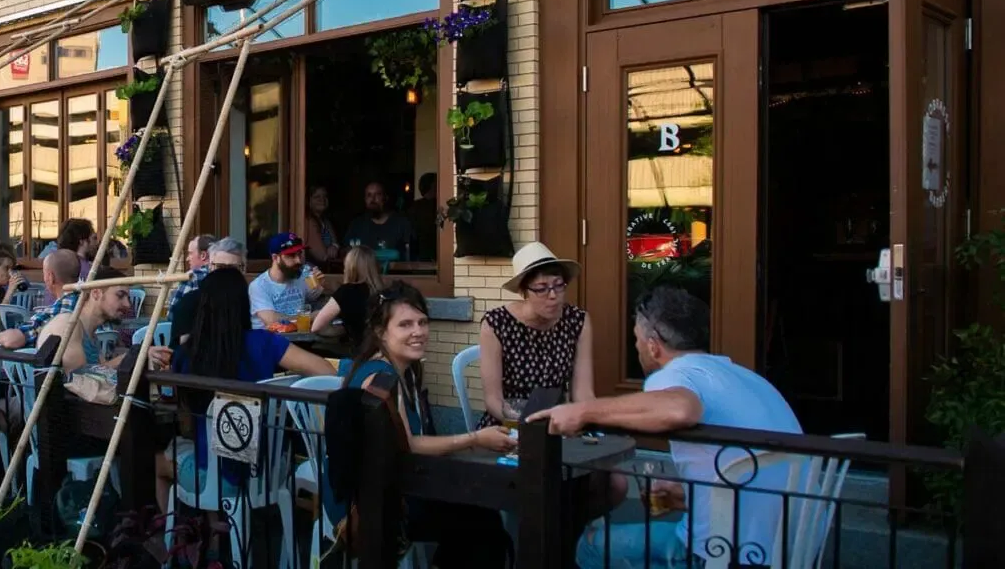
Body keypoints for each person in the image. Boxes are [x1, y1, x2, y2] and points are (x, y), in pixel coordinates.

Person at [533, 287, 803, 569]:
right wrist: (687, 497)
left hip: (725, 555)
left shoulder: (675, 373)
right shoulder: (746, 376)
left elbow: (680, 409)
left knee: (590, 547)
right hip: (792, 549)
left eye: (636, 340)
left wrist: (581, 410)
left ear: (652, 345)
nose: (636, 348)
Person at [343, 282, 516, 567]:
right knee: (480, 522)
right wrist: (474, 439)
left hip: (402, 483)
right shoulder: (380, 377)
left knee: (480, 513)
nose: (418, 331)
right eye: (405, 324)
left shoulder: (406, 369)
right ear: (379, 332)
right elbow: (409, 443)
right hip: (376, 501)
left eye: (422, 322)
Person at [158, 268, 338, 507]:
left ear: (202, 306)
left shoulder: (187, 353)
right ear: (244, 303)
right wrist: (289, 384)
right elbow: (326, 371)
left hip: (216, 477)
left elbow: (186, 424)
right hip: (269, 470)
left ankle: (185, 534)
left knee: (159, 461)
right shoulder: (265, 342)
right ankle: (220, 526)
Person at [479, 242, 593, 429]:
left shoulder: (577, 321)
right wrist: (526, 424)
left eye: (559, 286)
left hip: (556, 422)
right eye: (541, 288)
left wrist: (588, 418)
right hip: (509, 422)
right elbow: (493, 399)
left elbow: (583, 393)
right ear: (524, 291)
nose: (553, 296)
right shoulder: (496, 324)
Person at [38, 268, 170, 374]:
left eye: (127, 297)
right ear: (96, 293)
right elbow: (78, 379)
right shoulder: (68, 325)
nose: (128, 305)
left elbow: (101, 369)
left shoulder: (91, 335)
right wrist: (135, 355)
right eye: (120, 295)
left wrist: (139, 355)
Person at [0, 249, 81, 349]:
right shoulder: (89, 304)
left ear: (50, 277)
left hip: (61, 363)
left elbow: (12, 340)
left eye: (44, 274)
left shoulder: (55, 313)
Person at [171, 237, 244, 345]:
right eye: (220, 266)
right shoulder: (188, 304)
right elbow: (182, 351)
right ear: (210, 267)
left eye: (233, 268)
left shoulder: (251, 300)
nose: (226, 274)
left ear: (244, 269)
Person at [248, 232, 319, 329]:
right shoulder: (259, 286)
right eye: (291, 255)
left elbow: (312, 297)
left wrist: (319, 286)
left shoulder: (300, 276)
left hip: (299, 338)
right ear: (275, 258)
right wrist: (309, 317)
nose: (298, 260)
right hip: (270, 341)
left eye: (299, 254)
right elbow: (272, 320)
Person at [312, 244, 382, 342]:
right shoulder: (382, 291)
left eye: (345, 266)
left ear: (350, 268)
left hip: (361, 352)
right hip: (383, 351)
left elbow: (317, 327)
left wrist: (343, 330)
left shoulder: (347, 291)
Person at [344, 181, 413, 257]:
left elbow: (410, 254)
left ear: (385, 198)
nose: (373, 199)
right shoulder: (356, 224)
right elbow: (346, 250)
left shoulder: (402, 223)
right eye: (369, 195)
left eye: (378, 194)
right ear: (365, 199)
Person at [167, 234, 216, 309]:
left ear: (203, 255)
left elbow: (174, 312)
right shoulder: (226, 276)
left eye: (190, 253)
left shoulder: (192, 276)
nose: (187, 259)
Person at [304, 186, 341, 265]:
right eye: (317, 197)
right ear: (308, 201)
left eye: (325, 196)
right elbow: (322, 256)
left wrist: (335, 247)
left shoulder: (326, 222)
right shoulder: (307, 221)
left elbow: (335, 244)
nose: (322, 199)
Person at [409, 172, 438, 261]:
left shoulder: (414, 207)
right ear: (433, 186)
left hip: (418, 257)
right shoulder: (437, 205)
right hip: (427, 256)